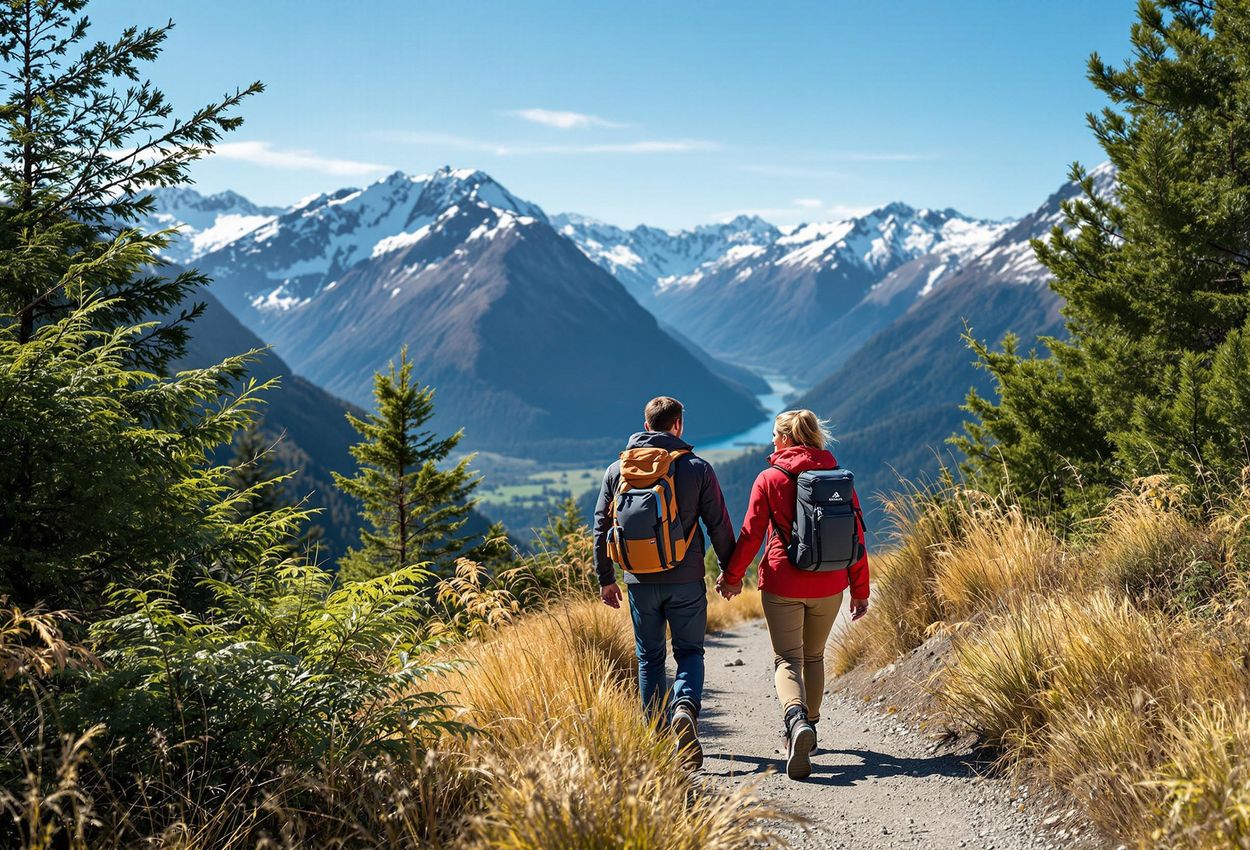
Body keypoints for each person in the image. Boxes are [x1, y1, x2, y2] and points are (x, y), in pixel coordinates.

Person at [716, 409, 870, 780]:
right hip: (830, 582)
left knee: (787, 660)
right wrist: (859, 590)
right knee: (814, 656)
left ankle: (795, 720)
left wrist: (732, 577)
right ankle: (810, 730)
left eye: (775, 435)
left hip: (783, 581)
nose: (772, 441)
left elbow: (752, 534)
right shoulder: (839, 478)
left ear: (786, 438)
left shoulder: (770, 478)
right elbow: (857, 537)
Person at [593, 395, 735, 770]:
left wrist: (606, 579)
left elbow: (601, 527)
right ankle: (685, 707)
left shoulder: (616, 471)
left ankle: (655, 742)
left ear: (645, 427)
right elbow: (718, 523)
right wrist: (729, 571)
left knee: (649, 657)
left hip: (638, 581)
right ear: (678, 426)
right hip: (686, 579)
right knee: (689, 652)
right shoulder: (697, 468)